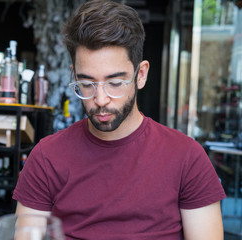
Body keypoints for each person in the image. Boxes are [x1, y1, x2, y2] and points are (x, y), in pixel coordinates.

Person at [13, 0, 226, 239]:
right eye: (87, 83)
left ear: (141, 74)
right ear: (74, 75)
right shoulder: (46, 158)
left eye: (115, 83)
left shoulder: (187, 158)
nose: (101, 99)